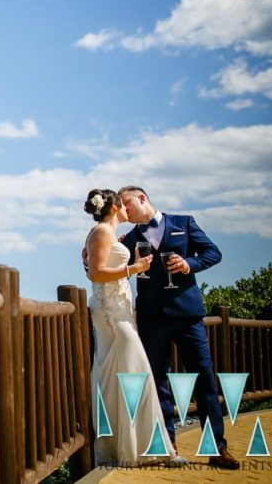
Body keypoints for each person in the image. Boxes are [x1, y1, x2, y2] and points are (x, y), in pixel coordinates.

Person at [117, 186, 239, 470]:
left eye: (127, 204)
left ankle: (218, 447)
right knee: (159, 383)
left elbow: (213, 252)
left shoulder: (184, 223)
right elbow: (108, 262)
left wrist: (188, 263)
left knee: (204, 380)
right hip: (151, 319)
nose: (125, 211)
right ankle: (168, 446)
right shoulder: (130, 238)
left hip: (188, 316)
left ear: (142, 198)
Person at [83, 188, 183, 467]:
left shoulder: (107, 234)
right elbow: (96, 272)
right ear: (113, 207)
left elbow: (93, 263)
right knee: (137, 372)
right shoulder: (102, 232)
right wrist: (135, 268)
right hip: (112, 313)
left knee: (120, 375)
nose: (128, 208)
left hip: (119, 310)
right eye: (123, 203)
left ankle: (130, 446)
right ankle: (153, 449)